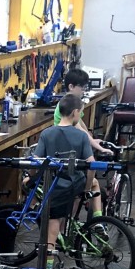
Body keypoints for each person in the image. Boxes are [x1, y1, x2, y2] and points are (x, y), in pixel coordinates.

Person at [35, 93, 95, 264]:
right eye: (81, 113)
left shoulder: (47, 134)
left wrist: (30, 178)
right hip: (75, 185)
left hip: (55, 187)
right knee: (68, 203)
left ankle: (49, 266)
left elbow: (37, 162)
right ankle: (73, 226)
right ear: (75, 112)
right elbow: (91, 165)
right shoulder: (82, 136)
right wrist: (87, 189)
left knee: (51, 222)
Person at [54, 67, 111, 216]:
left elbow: (82, 126)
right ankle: (94, 221)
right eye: (82, 88)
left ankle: (72, 221)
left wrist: (93, 139)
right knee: (92, 184)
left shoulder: (72, 104)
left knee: (82, 190)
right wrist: (96, 145)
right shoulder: (67, 107)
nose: (83, 91)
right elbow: (80, 131)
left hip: (72, 153)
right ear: (71, 86)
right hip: (67, 158)